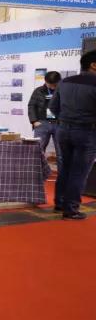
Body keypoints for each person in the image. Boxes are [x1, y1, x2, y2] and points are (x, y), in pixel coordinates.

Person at [50, 51, 96, 220]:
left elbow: (53, 106)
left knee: (65, 168)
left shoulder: (65, 82)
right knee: (79, 172)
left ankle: (60, 203)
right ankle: (71, 209)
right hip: (86, 132)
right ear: (93, 65)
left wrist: (65, 120)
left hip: (63, 130)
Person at [28, 71, 61, 158]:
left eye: (54, 84)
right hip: (42, 123)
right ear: (45, 81)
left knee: (62, 152)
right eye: (49, 84)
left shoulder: (64, 91)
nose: (52, 87)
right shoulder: (38, 91)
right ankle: (38, 167)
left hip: (59, 124)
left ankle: (62, 168)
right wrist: (34, 121)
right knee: (38, 150)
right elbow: (31, 106)